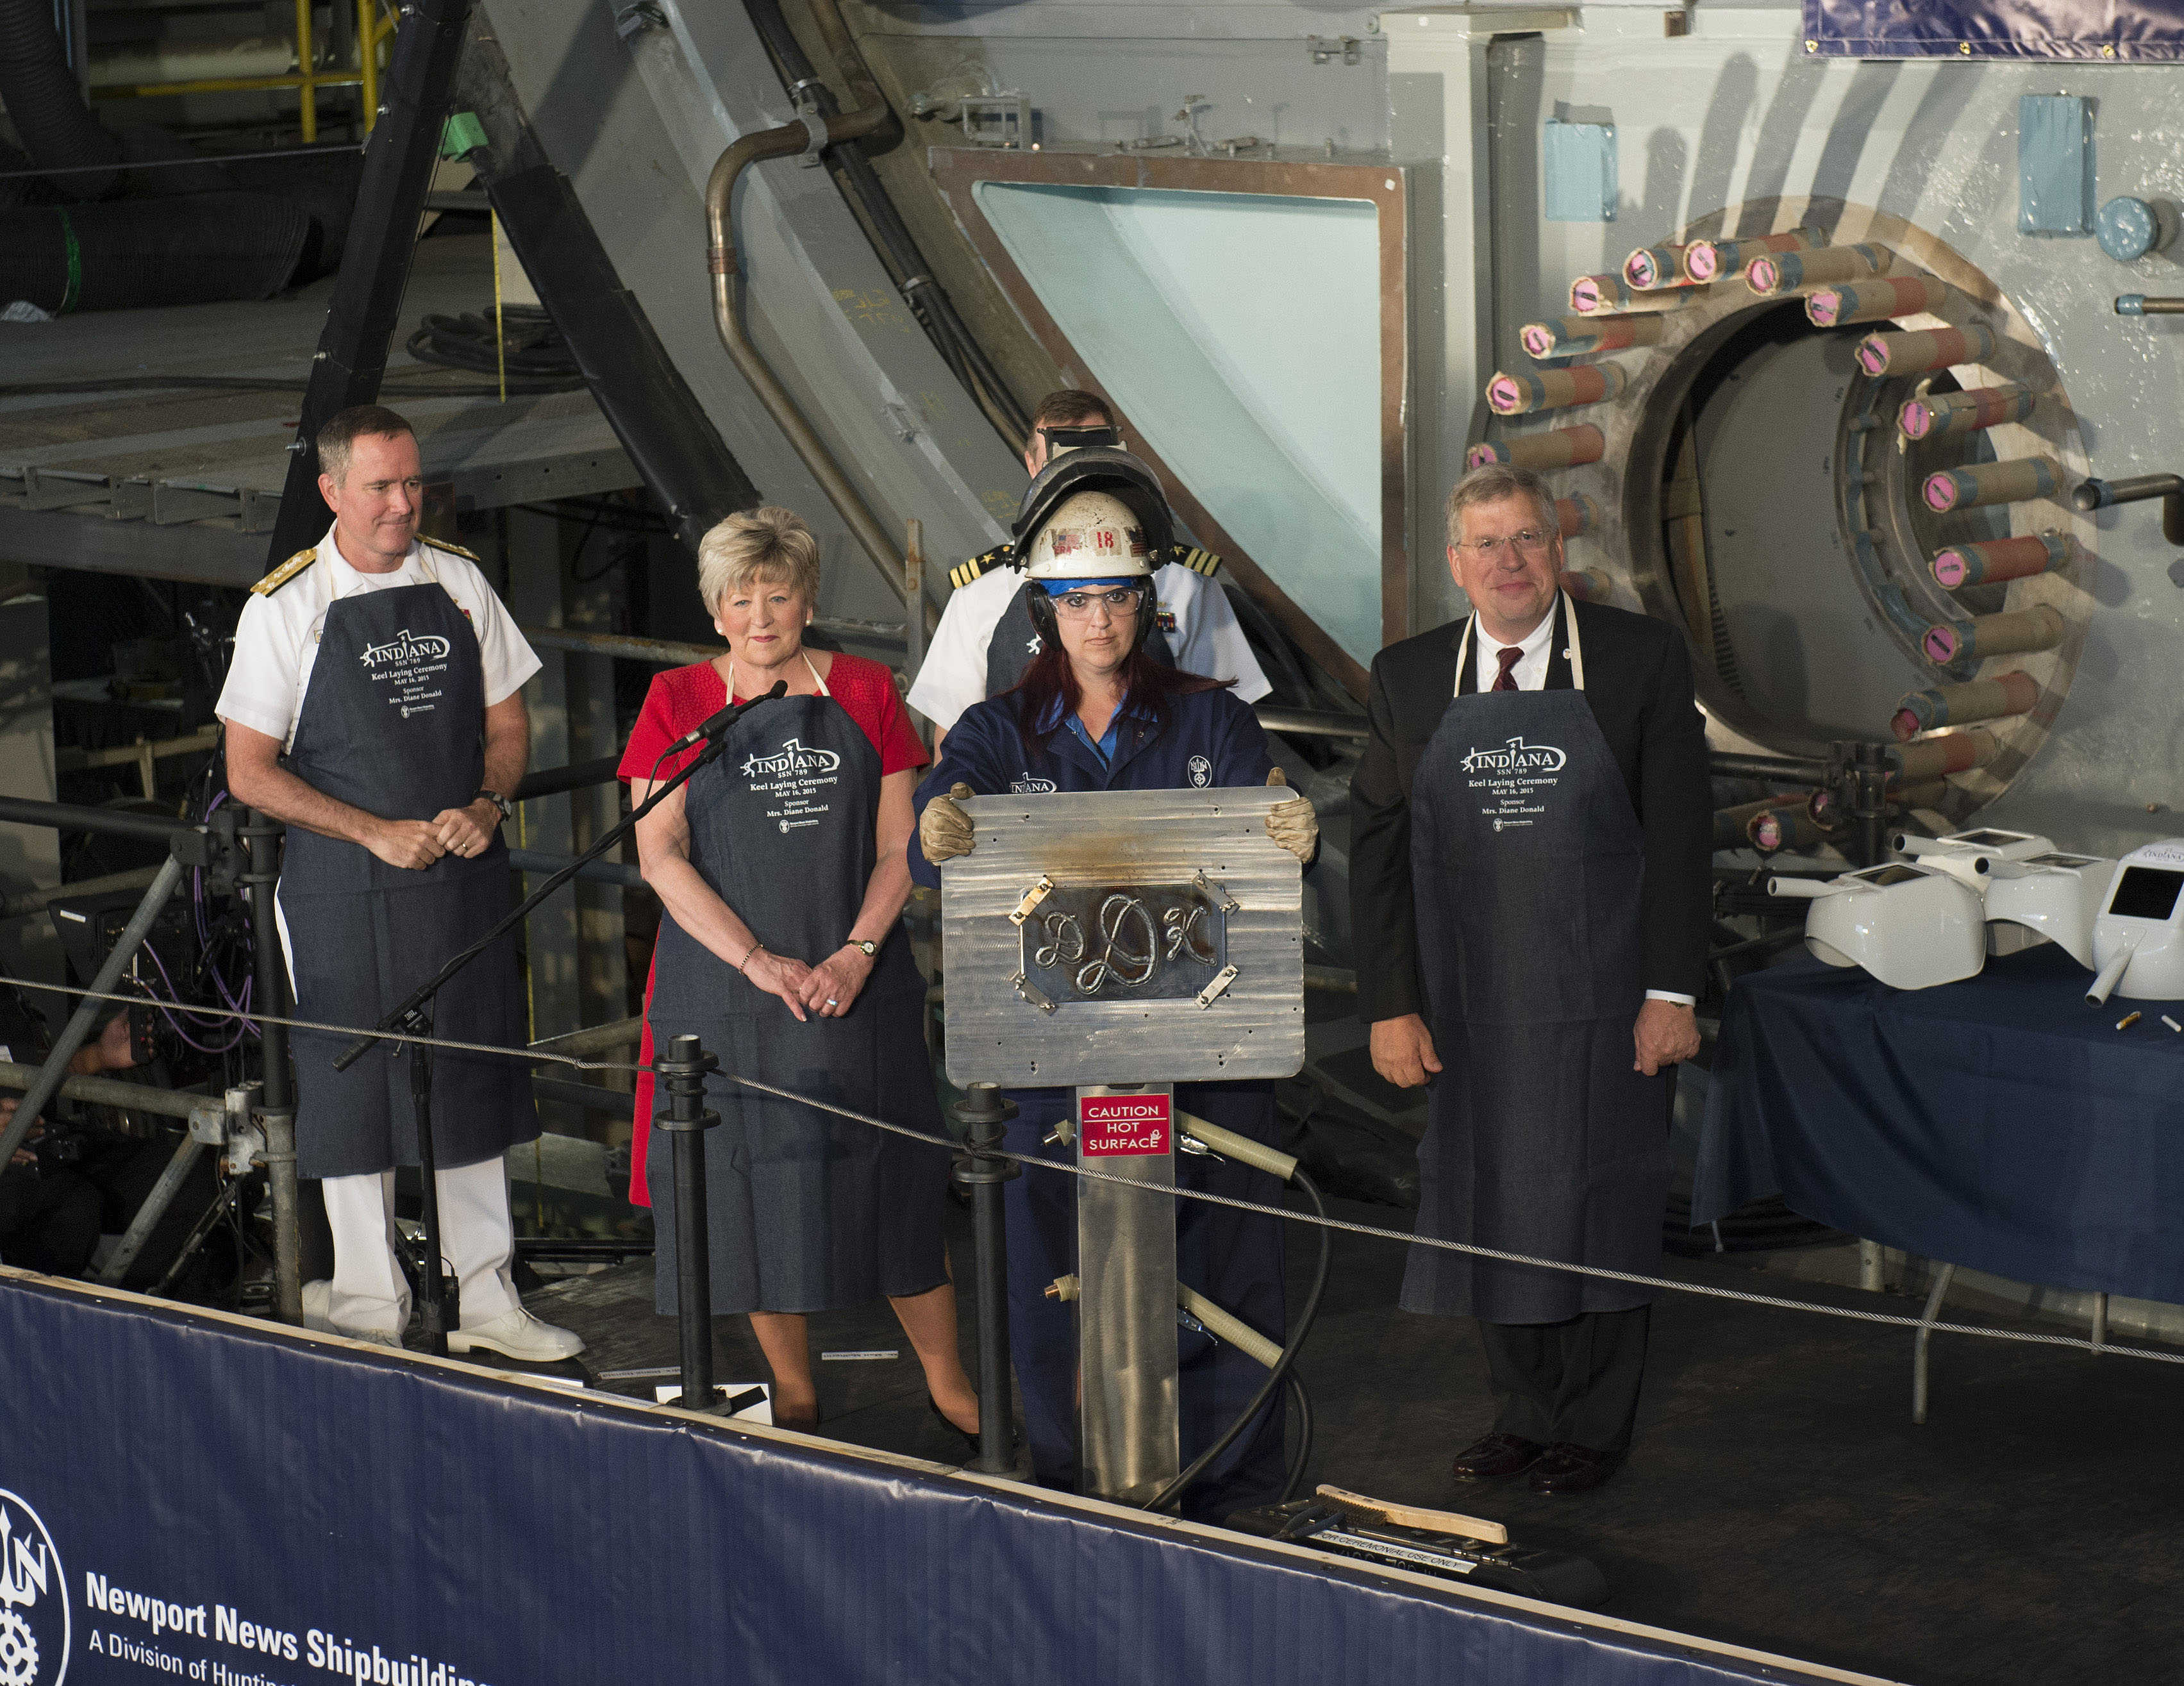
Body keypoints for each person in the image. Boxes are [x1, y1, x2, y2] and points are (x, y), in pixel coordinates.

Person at [910, 486, 1319, 1518]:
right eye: (1078, 600)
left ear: (1147, 604)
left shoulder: (1209, 714)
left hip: (1207, 1050)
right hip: (1053, 1054)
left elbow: (1260, 809)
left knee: (1225, 1266)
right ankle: (1067, 1484)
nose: (1100, 620)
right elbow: (941, 806)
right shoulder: (999, 731)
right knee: (1052, 1279)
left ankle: (1233, 1486)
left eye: (1118, 598)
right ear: (1046, 610)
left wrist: (1285, 825)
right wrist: (940, 824)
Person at [1348, 462, 1709, 1495]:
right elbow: (1374, 845)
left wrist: (1670, 994)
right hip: (1467, 999)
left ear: (1556, 553)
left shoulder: (1639, 659)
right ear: (1456, 566)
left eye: (1527, 540)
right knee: (1488, 1193)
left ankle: (1591, 1426)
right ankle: (1521, 1411)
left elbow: (1680, 838)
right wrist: (1389, 1002)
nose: (1509, 561)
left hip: (1605, 994)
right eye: (1487, 544)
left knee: (1596, 1195)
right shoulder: (1408, 676)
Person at [219, 403, 581, 1361]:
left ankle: (488, 1297)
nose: (400, 504)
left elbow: (509, 728)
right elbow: (247, 771)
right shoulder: (284, 607)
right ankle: (371, 1302)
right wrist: (371, 831)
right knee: (353, 1082)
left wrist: (488, 804)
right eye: (378, 486)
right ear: (332, 490)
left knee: (472, 1067)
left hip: (460, 871)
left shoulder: (458, 580)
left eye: (411, 482)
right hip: (342, 883)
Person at [619, 506, 978, 1441]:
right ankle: (795, 1388)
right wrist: (754, 958)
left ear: (808, 601)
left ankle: (948, 1380)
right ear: (714, 611)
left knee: (894, 1185)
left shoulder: (865, 687)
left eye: (778, 595)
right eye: (741, 598)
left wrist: (855, 952)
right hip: (727, 989)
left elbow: (901, 843)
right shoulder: (673, 701)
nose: (760, 615)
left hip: (855, 977)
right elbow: (659, 854)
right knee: (747, 1195)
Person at [906, 388, 1271, 746]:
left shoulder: (1187, 584)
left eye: (1092, 456)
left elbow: (1229, 725)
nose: (1079, 475)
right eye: (1061, 461)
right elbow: (953, 734)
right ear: (1032, 465)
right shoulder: (981, 593)